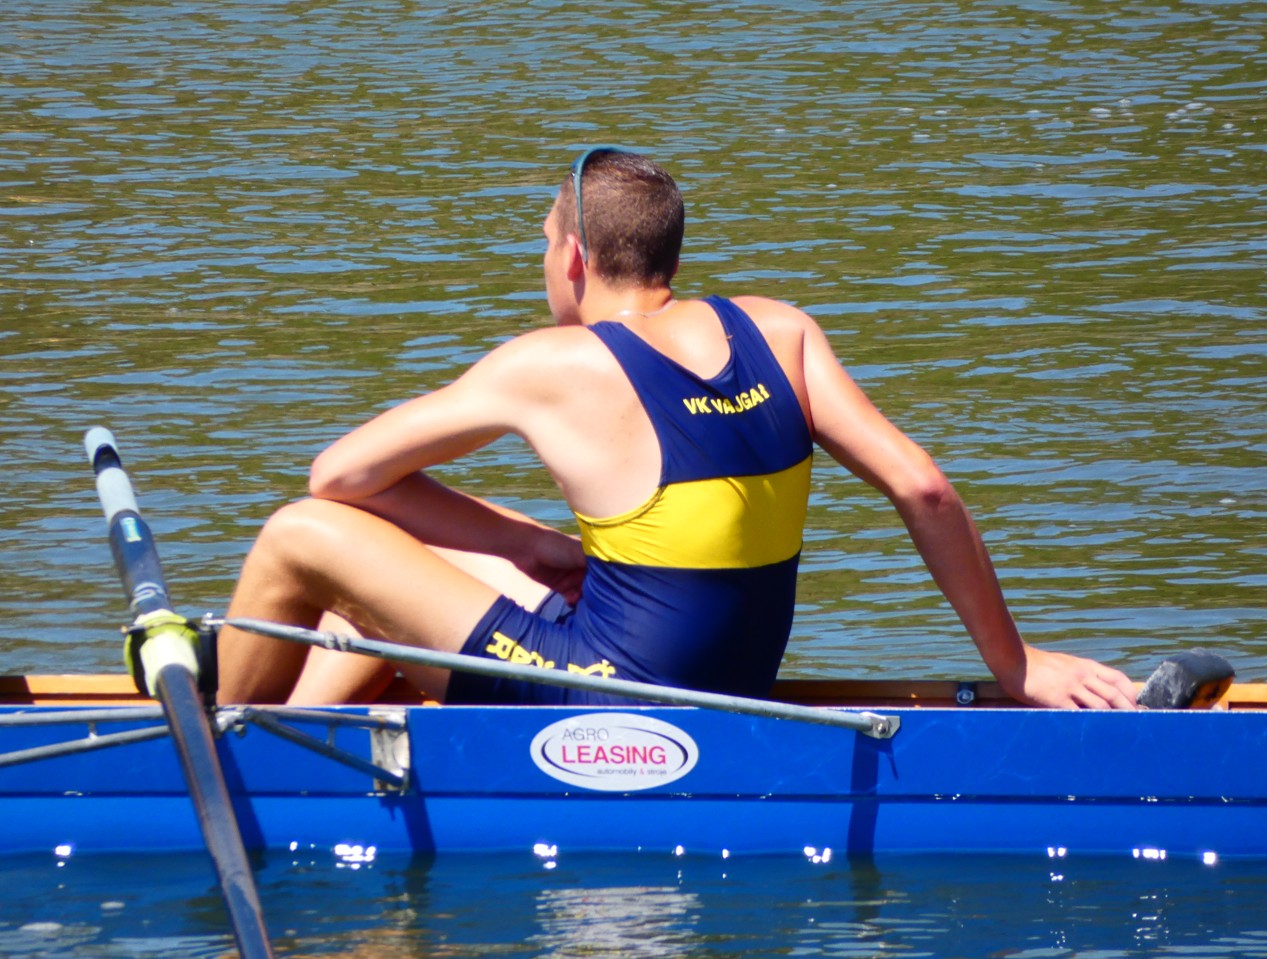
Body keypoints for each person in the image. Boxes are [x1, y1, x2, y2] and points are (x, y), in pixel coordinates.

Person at [215, 148, 1138, 710]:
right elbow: (923, 487)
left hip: (610, 700)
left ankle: (219, 740)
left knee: (306, 534)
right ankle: (308, 724)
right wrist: (1014, 664)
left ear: (573, 258)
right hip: (736, 680)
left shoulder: (551, 362)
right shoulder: (781, 331)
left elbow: (336, 476)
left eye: (543, 244)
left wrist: (522, 546)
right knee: (431, 547)